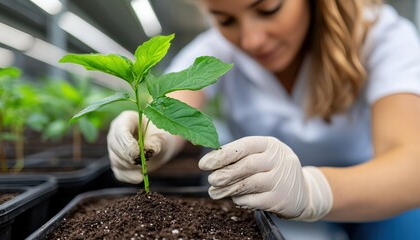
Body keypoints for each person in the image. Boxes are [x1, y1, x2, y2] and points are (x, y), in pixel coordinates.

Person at [107, 0, 420, 239]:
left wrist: (312, 190)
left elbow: (411, 164)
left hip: (374, 192)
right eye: (225, 20)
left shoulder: (381, 35)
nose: (252, 40)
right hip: (272, 200)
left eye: (268, 9)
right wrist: (148, 137)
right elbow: (176, 104)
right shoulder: (215, 51)